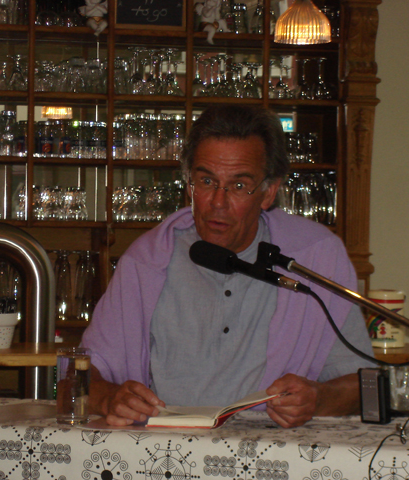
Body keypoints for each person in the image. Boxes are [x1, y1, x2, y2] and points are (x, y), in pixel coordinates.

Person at [80, 105, 374, 428]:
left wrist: (318, 398)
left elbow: (364, 385)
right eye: (206, 181)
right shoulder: (147, 261)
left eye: (238, 186)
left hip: (272, 451)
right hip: (166, 448)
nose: (217, 203)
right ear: (189, 185)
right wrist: (108, 397)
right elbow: (77, 376)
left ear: (268, 192)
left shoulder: (313, 259)